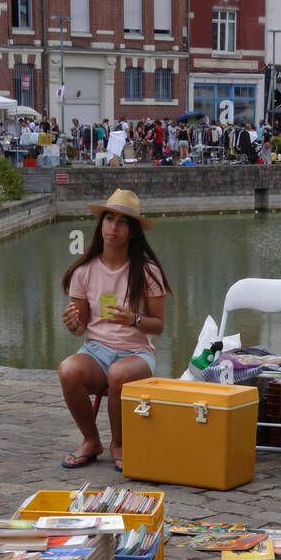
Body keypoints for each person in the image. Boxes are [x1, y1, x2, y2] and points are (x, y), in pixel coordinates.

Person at [57, 190, 171, 472]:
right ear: (101, 224)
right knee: (68, 369)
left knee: (118, 373)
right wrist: (73, 324)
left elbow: (159, 325)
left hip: (136, 354)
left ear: (132, 232)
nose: (113, 227)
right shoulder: (84, 271)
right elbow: (81, 327)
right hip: (96, 350)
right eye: (109, 219)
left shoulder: (147, 270)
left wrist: (134, 320)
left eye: (122, 222)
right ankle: (90, 441)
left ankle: (118, 444)